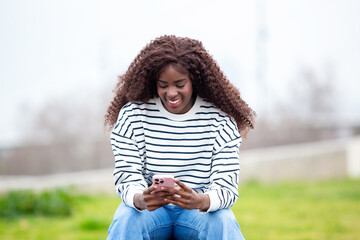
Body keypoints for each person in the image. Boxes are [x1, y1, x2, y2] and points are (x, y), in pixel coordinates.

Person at [104, 35, 255, 240]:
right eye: (163, 85)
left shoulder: (219, 120)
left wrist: (201, 201)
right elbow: (126, 175)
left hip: (197, 212)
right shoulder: (133, 116)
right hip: (152, 212)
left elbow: (226, 186)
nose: (171, 93)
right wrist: (141, 198)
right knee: (126, 217)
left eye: (180, 84)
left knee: (223, 220)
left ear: (194, 80)